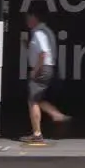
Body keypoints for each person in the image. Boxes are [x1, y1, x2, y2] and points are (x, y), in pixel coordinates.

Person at [20, 8, 70, 145]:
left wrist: (35, 70)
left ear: (35, 18)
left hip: (42, 69)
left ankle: (37, 134)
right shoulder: (45, 32)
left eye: (29, 19)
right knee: (38, 98)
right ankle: (56, 114)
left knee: (32, 101)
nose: (27, 22)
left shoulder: (39, 33)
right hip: (47, 68)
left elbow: (43, 54)